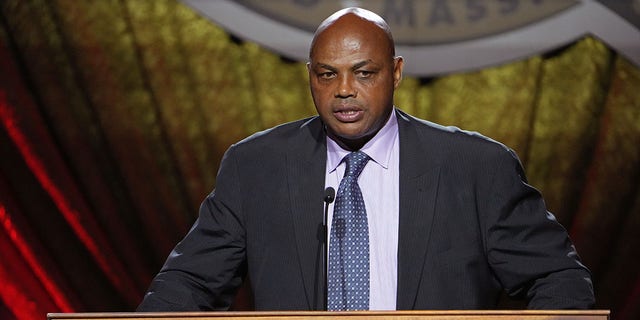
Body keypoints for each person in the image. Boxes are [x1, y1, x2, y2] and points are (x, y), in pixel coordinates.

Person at [137, 7, 595, 311]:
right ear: (310, 77)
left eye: (364, 73)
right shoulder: (256, 167)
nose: (344, 90)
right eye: (327, 74)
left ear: (395, 73)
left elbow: (560, 280)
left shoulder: (475, 167)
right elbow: (187, 287)